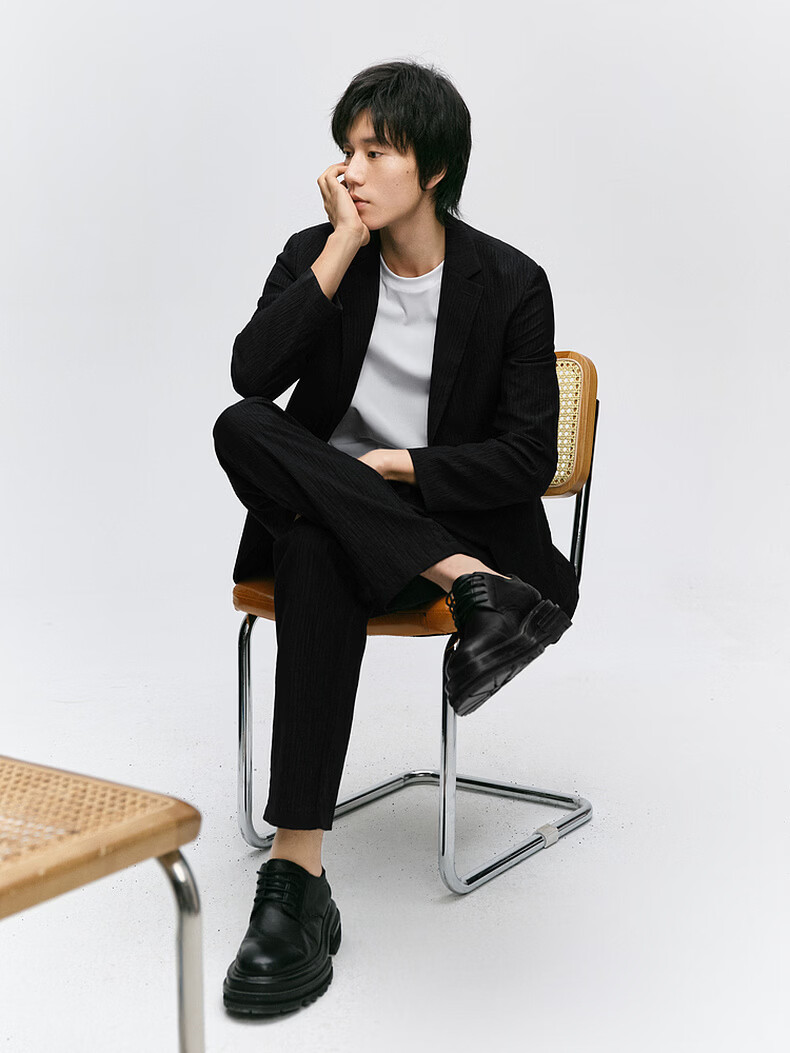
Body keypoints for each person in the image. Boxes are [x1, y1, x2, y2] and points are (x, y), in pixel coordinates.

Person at [213, 59, 579, 1016]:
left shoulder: (511, 281)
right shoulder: (316, 253)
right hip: (361, 537)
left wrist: (396, 467)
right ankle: (469, 587)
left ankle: (294, 886)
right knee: (245, 434)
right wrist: (341, 246)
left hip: (453, 516)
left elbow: (527, 455)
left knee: (315, 540)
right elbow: (253, 376)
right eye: (347, 150)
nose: (352, 169)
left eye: (378, 152)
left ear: (437, 168)